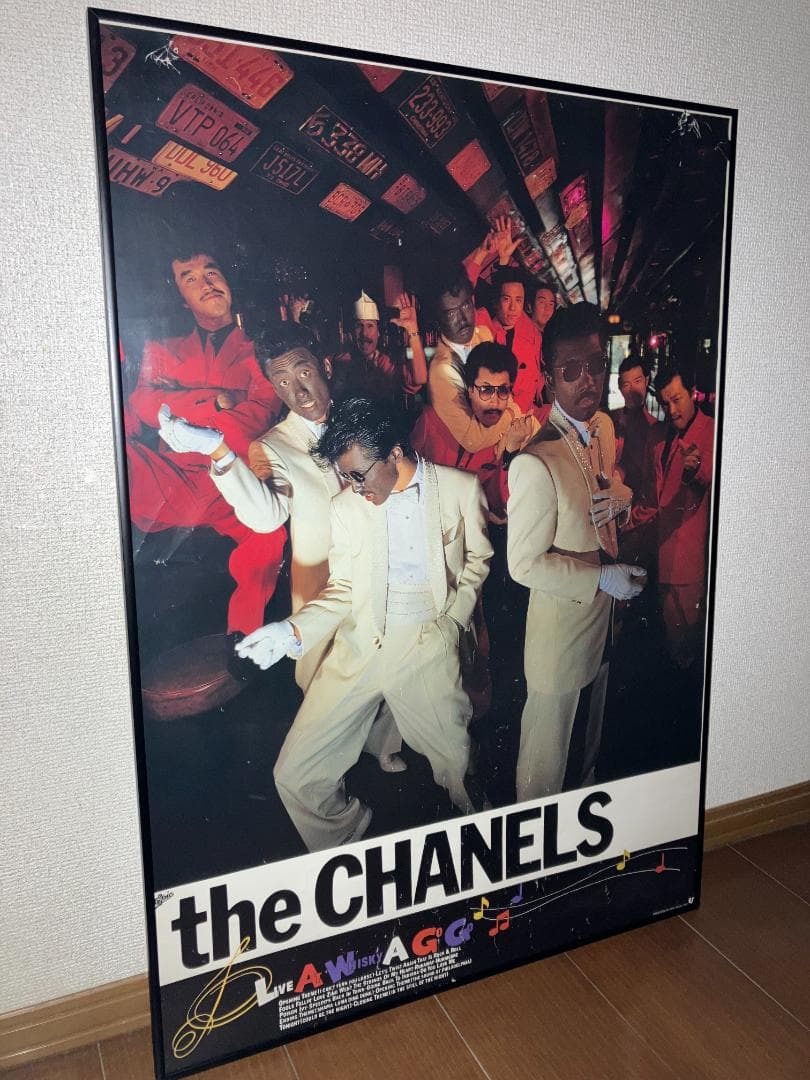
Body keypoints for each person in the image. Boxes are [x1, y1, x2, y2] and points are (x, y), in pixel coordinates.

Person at [235, 397, 493, 851]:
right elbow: (343, 590)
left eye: (359, 475)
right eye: (347, 477)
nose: (354, 488)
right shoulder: (345, 507)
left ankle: (484, 842)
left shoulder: (460, 488)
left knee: (458, 766)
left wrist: (452, 621)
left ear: (394, 453)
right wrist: (291, 631)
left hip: (427, 642)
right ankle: (347, 838)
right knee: (294, 773)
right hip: (360, 646)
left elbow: (478, 559)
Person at [156, 325, 405, 771]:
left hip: (383, 568)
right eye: (282, 381)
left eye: (303, 372)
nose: (298, 391)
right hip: (325, 586)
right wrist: (217, 451)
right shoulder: (272, 446)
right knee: (327, 694)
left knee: (393, 664)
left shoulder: (360, 416)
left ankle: (382, 742)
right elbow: (266, 515)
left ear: (324, 366)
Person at [507, 303, 645, 800]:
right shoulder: (534, 462)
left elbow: (603, 490)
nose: (587, 380)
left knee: (588, 751)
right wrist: (601, 578)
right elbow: (522, 564)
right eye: (570, 370)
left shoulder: (603, 426)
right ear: (549, 377)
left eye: (596, 364)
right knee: (542, 772)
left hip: (603, 626)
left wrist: (623, 498)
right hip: (560, 641)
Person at [125, 249, 285, 636]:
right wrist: (218, 400)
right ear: (182, 297)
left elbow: (257, 416)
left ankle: (244, 642)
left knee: (269, 534)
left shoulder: (262, 348)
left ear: (227, 279)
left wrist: (177, 405)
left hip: (233, 480)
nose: (206, 283)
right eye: (190, 278)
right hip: (173, 479)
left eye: (211, 272)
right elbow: (142, 405)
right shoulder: (162, 349)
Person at [636, 365, 714, 669]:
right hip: (657, 552)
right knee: (668, 642)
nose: (671, 410)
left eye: (677, 400)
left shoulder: (711, 430)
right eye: (665, 403)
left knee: (687, 646)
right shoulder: (658, 434)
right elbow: (651, 492)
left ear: (692, 393)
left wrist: (694, 471)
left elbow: (705, 479)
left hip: (687, 559)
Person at [427, 265, 534, 455]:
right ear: (438, 322)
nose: (463, 319)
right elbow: (473, 439)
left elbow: (505, 393)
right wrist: (511, 414)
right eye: (451, 313)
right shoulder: (441, 370)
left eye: (466, 306)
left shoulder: (483, 334)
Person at [330, 290, 427, 403]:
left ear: (378, 332)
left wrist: (413, 329)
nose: (364, 333)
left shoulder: (387, 364)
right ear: (352, 332)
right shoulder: (338, 361)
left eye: (370, 325)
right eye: (359, 326)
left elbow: (420, 379)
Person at [611, 355, 659, 496]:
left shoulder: (655, 427)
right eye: (626, 384)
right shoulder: (611, 421)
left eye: (637, 381)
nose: (632, 389)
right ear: (620, 388)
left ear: (647, 381)